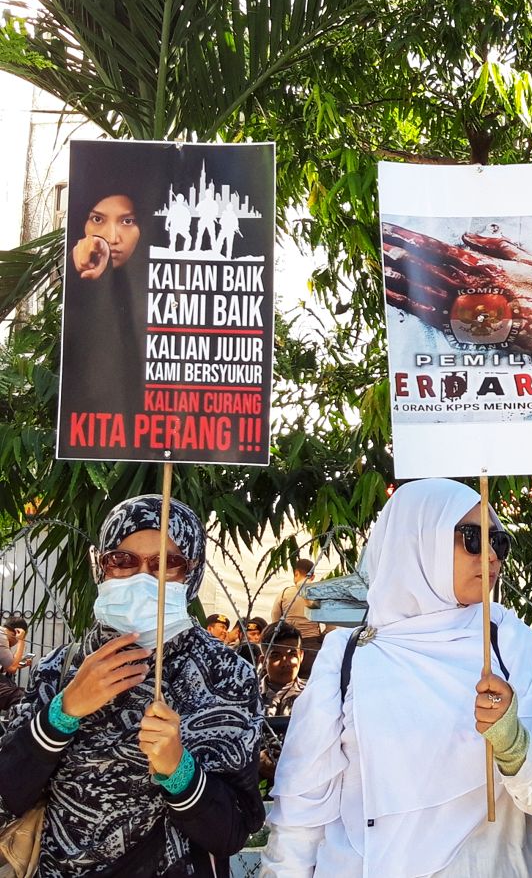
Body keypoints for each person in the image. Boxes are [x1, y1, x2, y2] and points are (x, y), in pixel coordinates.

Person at [263, 478, 532, 877]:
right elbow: (302, 811)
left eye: (499, 542)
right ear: (416, 540)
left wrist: (515, 747)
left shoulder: (511, 646)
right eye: (472, 538)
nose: (490, 555)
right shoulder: (347, 656)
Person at [0, 494, 264, 876]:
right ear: (101, 567)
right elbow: (7, 796)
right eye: (122, 561)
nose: (143, 577)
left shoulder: (226, 676)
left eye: (166, 563)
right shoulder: (60, 668)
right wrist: (62, 712)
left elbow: (232, 833)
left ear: (192, 573)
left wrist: (179, 770)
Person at [58, 184, 153, 453]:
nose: (112, 237)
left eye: (127, 220)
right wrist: (81, 276)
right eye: (97, 219)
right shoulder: (75, 282)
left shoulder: (169, 288)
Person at [271, 557, 325, 678]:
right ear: (313, 576)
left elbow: (275, 622)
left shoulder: (284, 593)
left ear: (296, 573)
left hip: (290, 646)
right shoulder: (319, 594)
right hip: (313, 646)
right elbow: (331, 626)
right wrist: (320, 638)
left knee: (290, 683)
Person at [259, 621, 307, 719]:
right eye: (276, 656)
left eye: (292, 654)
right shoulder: (249, 694)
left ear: (301, 656)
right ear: (263, 661)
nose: (286, 663)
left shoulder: (310, 693)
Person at [0, 616, 29, 713]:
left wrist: (19, 664)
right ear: (16, 632)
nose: (15, 643)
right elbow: (12, 668)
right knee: (21, 697)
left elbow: (9, 665)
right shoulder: (2, 637)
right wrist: (21, 641)